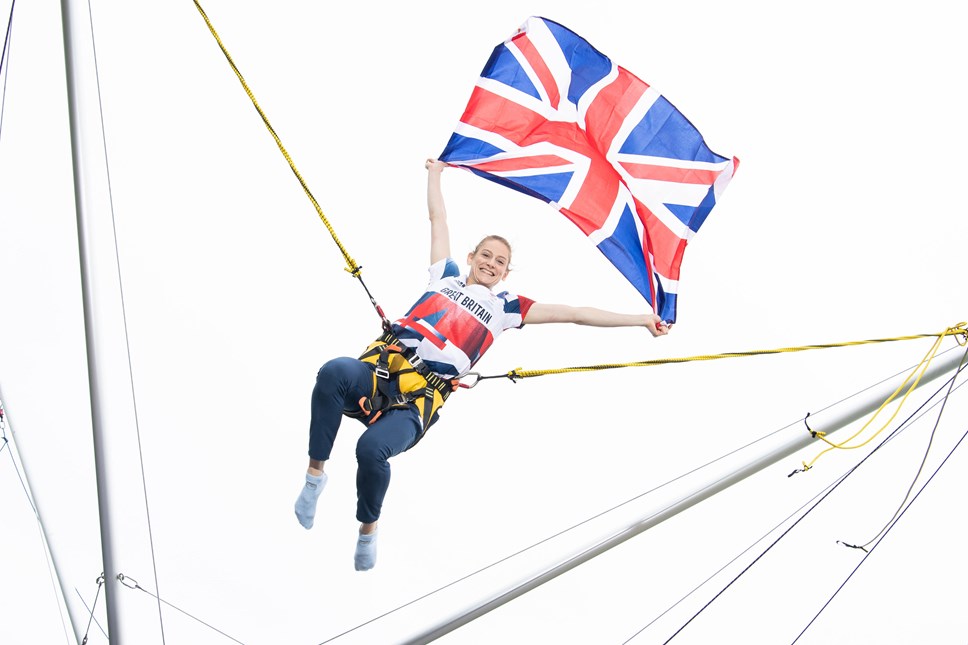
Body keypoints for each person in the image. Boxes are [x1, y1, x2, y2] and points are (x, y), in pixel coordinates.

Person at [294, 158, 670, 571]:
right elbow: (437, 217)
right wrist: (435, 174)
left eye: (500, 261)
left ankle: (367, 530)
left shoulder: (507, 307)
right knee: (332, 372)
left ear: (507, 271)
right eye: (485, 255)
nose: (490, 263)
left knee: (370, 450)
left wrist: (640, 320)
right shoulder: (446, 275)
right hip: (381, 367)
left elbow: (576, 313)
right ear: (472, 256)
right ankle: (315, 477)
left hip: (419, 399)